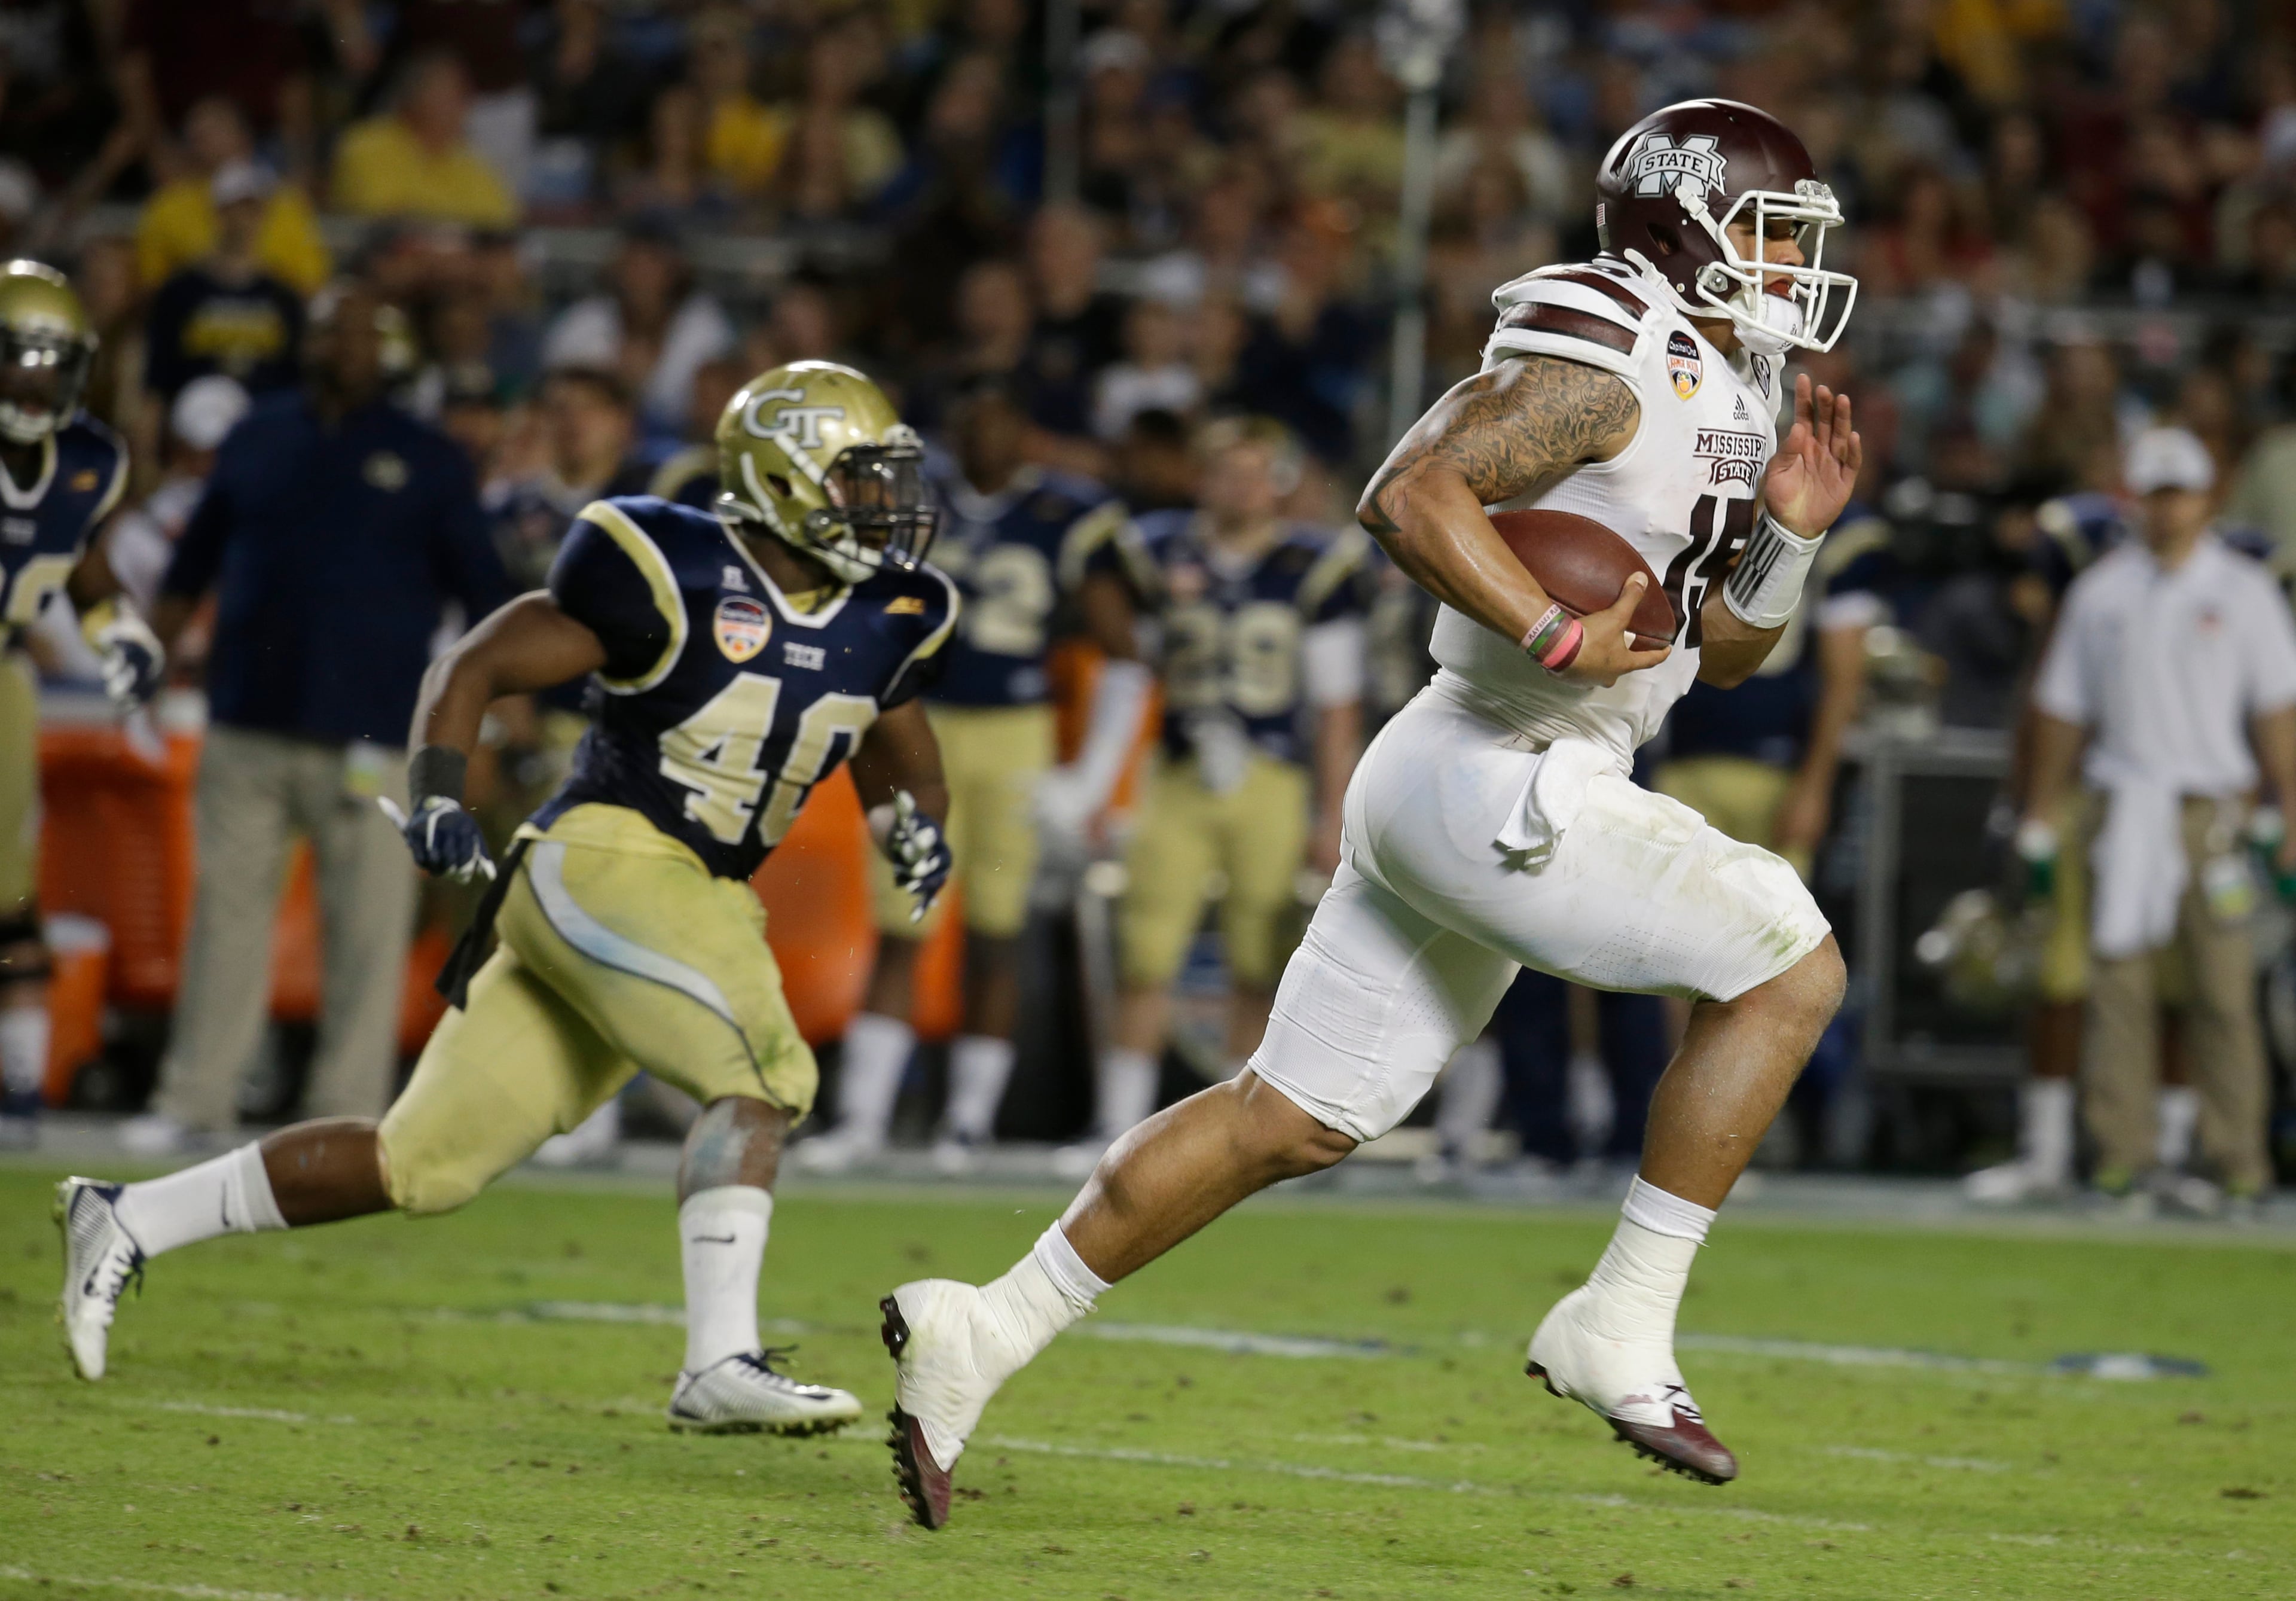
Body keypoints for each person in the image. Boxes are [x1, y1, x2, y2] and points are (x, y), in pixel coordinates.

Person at [880, 99, 1864, 1524]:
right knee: (1791, 956)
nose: (1788, 264)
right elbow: (1409, 496)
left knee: (1293, 1114)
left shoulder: (1726, 383)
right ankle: (1620, 1318)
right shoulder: (1614, 347)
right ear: (1682, 224)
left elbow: (1720, 654)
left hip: (1483, 767)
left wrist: (1789, 535)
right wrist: (1543, 625)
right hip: (1501, 760)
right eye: (1770, 231)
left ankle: (986, 1327)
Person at [58, 361, 960, 1439]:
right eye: (857, 480)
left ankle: (124, 1216)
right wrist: (437, 794)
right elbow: (477, 660)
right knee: (761, 1071)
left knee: (419, 1163)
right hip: (609, 859)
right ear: (784, 476)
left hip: (659, 895)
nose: (880, 505)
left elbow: (895, 738)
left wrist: (914, 825)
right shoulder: (669, 565)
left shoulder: (893, 613)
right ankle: (716, 1359)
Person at [118, 284, 512, 1158]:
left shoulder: (430, 457)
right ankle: (196, 1098)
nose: (344, 346)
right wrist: (148, 659)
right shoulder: (258, 434)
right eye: (331, 328)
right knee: (224, 918)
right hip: (248, 718)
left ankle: (347, 1118)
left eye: (362, 332)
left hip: (372, 732)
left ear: (394, 351)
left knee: (368, 934)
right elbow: (193, 564)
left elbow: (490, 604)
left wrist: (488, 728)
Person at [799, 381, 1137, 1173]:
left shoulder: (1070, 515)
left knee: (996, 930)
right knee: (899, 923)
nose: (986, 437)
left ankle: (968, 1122)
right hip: (919, 723)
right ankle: (864, 1119)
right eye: (971, 422)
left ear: (1028, 431)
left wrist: (1089, 780)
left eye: (1002, 421)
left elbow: (1127, 652)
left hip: (1016, 733)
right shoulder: (912, 502)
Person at [1060, 416, 1367, 1169]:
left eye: (1256, 471)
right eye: (1227, 470)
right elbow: (1114, 641)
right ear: (1202, 477)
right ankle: (1117, 1130)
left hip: (1270, 775)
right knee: (1145, 951)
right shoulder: (1156, 548)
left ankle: (1235, 1139)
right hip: (1180, 770)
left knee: (1258, 957)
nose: (1242, 486)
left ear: (1281, 482)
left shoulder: (1312, 563)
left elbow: (1336, 704)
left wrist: (1333, 812)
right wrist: (1107, 780)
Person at [2016, 426, 2296, 1216]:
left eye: (2181, 494)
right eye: (2156, 494)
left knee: (2223, 988)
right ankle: (2122, 1152)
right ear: (2137, 498)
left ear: (2206, 498)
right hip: (2122, 804)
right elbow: (2062, 711)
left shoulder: (2243, 590)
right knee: (2119, 988)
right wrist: (2042, 808)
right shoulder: (2102, 591)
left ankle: (2235, 1156)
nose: (2169, 510)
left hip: (2213, 809)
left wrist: (2287, 807)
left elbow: (2278, 710)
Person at [0, 262, 164, 1147]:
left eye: (48, 360)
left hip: (5, 670)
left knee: (8, 887)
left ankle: (20, 1082)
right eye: (17, 356)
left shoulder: (90, 460)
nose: (32, 379)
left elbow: (80, 559)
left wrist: (117, 631)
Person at [143, 161, 305, 404]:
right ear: (219, 212)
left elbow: (295, 378)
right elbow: (158, 379)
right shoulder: (180, 291)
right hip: (190, 427)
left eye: (257, 209)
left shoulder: (284, 295)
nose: (249, 219)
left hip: (264, 424)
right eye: (241, 208)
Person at [330, 53, 519, 230]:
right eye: (455, 93)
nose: (465, 105)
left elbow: (500, 224)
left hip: (463, 263)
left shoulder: (473, 162)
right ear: (417, 96)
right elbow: (384, 220)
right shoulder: (367, 145)